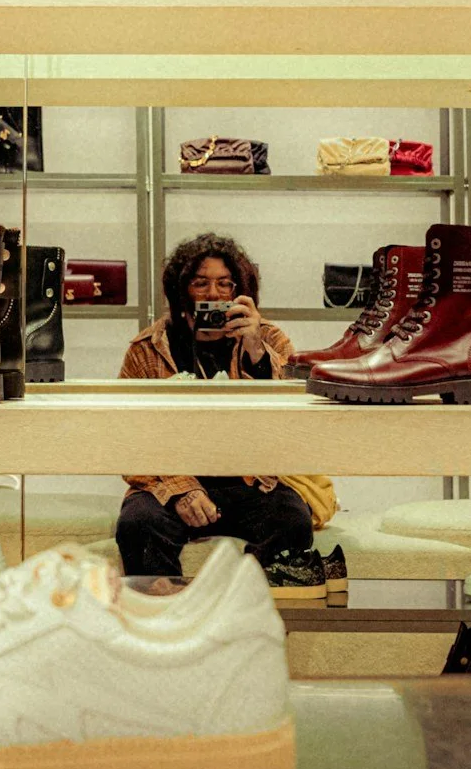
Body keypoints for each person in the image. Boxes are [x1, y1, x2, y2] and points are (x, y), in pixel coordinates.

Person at [117, 232, 337, 577]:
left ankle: (244, 606)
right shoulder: (148, 348)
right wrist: (181, 490)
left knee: (292, 521)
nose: (214, 295)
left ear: (240, 290)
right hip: (171, 479)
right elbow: (128, 438)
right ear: (181, 289)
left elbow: (291, 422)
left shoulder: (270, 338)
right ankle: (163, 619)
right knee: (137, 524)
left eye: (225, 284)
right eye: (200, 283)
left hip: (250, 480)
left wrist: (256, 350)